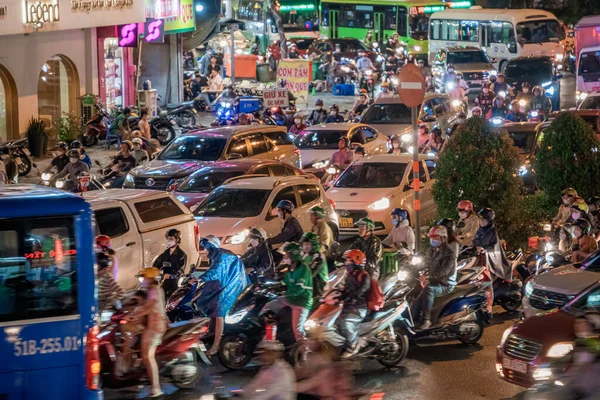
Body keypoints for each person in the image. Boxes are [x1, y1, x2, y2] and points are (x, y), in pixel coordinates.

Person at [196, 236, 250, 356]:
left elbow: (217, 271)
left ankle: (216, 344)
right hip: (225, 284)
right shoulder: (217, 255)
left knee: (219, 311)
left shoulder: (222, 255)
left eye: (205, 247)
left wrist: (201, 277)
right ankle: (211, 332)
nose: (204, 250)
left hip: (232, 286)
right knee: (212, 306)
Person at [262, 242, 313, 341]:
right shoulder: (290, 268)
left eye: (287, 255)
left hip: (301, 302)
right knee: (267, 308)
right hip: (289, 299)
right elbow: (285, 282)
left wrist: (284, 292)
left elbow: (298, 289)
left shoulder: (304, 270)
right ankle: (270, 339)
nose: (285, 257)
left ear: (293, 255)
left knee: (298, 331)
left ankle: (305, 351)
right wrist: (272, 287)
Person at [412, 226, 457, 330]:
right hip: (434, 281)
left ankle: (426, 320)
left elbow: (443, 272)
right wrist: (414, 269)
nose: (432, 240)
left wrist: (428, 277)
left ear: (443, 238)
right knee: (416, 298)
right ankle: (414, 320)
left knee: (429, 290)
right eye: (431, 238)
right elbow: (427, 264)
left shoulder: (449, 254)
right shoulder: (431, 250)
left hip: (445, 284)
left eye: (435, 238)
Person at [135, 267, 168, 398]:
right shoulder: (154, 290)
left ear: (149, 278)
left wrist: (135, 315)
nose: (142, 281)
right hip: (154, 325)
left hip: (155, 327)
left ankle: (156, 388)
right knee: (145, 356)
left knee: (148, 356)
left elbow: (151, 307)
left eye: (143, 278)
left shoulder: (154, 290)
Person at [337, 249, 371, 357]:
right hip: (349, 305)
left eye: (349, 261)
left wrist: (351, 297)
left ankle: (353, 346)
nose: (346, 264)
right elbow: (345, 290)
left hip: (359, 306)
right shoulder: (350, 275)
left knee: (345, 322)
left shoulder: (364, 276)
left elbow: (360, 291)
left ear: (357, 262)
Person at [472, 208, 512, 281]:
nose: (481, 221)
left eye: (483, 219)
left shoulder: (492, 231)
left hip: (490, 258)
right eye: (480, 219)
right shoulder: (480, 230)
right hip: (479, 256)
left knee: (488, 275)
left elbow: (494, 246)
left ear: (489, 220)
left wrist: (485, 249)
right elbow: (475, 240)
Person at [152, 229, 187, 300]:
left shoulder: (181, 255)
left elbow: (181, 270)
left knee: (171, 301)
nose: (169, 241)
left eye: (171, 239)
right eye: (168, 239)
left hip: (175, 282)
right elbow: (156, 265)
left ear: (177, 240)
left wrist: (172, 276)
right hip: (164, 280)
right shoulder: (165, 254)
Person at [301, 232, 329, 301]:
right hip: (307, 284)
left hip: (319, 287)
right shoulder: (306, 255)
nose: (305, 246)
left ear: (314, 244)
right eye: (304, 244)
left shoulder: (319, 257)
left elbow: (311, 272)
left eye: (308, 244)